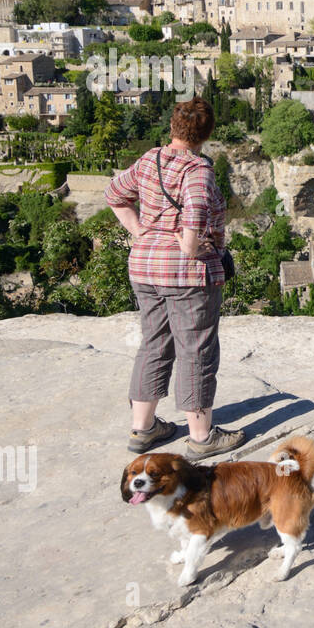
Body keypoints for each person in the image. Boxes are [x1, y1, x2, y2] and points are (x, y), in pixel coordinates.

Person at [105, 96, 245, 460]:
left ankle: (144, 429)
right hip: (186, 275)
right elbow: (194, 222)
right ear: (207, 134)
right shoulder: (198, 170)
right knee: (195, 349)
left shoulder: (149, 159)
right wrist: (192, 246)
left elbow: (114, 194)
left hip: (145, 268)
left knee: (153, 344)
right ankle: (201, 437)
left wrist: (140, 231)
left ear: (173, 127)